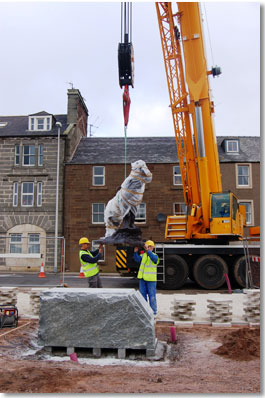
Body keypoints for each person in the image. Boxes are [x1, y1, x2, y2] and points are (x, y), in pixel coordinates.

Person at [133, 240, 160, 316]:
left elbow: (154, 260)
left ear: (152, 248)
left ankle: (153, 312)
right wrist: (135, 252)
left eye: (149, 247)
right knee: (142, 296)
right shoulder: (143, 256)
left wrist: (148, 251)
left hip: (151, 280)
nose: (148, 248)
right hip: (142, 279)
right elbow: (137, 259)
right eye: (147, 247)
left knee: (152, 297)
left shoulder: (155, 256)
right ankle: (144, 311)